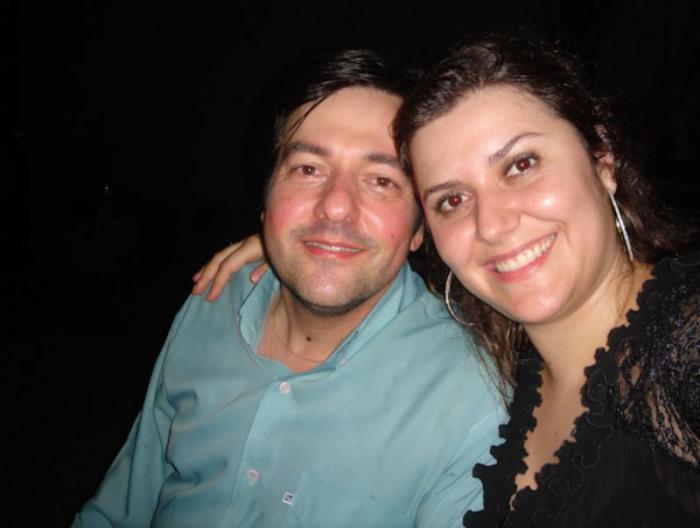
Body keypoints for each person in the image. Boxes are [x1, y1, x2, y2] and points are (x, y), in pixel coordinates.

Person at [199, 36, 700, 527]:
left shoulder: (685, 346)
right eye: (452, 200)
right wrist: (300, 249)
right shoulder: (509, 367)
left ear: (602, 158)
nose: (492, 225)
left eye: (521, 165)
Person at [72, 49, 505, 528]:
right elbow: (124, 505)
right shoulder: (213, 299)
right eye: (308, 170)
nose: (335, 207)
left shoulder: (469, 401)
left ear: (419, 228)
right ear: (265, 197)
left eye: (381, 180)